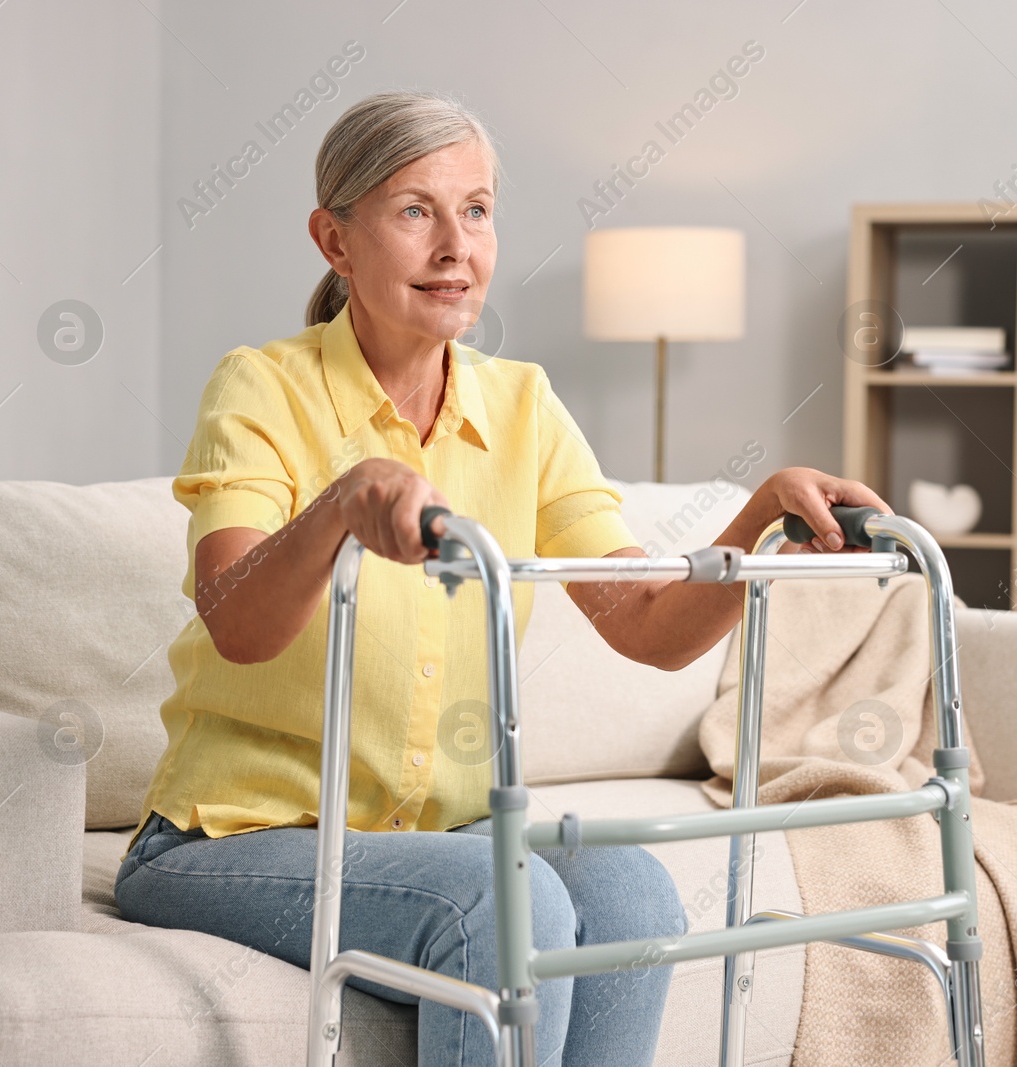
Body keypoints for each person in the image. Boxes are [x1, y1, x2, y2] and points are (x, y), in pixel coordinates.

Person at [113, 89, 890, 1066]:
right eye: (414, 210)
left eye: (475, 209)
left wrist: (760, 515)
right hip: (223, 841)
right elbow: (236, 620)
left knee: (635, 896)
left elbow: (648, 623)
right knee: (493, 899)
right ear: (335, 240)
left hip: (445, 833)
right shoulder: (262, 384)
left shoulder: (522, 403)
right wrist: (342, 505)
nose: (456, 246)